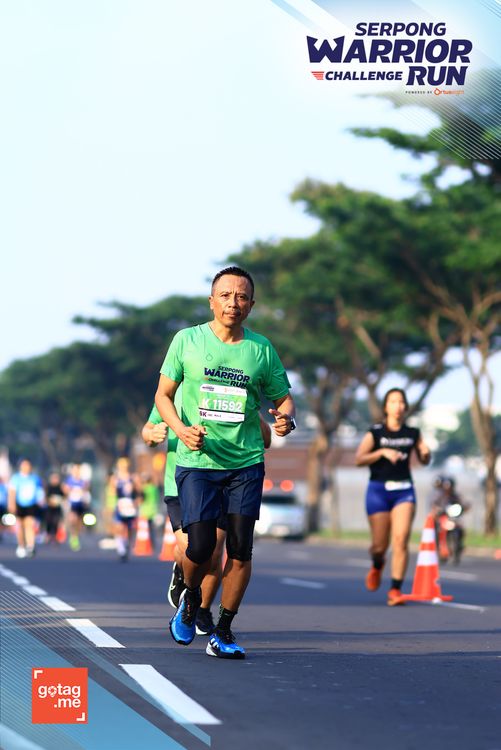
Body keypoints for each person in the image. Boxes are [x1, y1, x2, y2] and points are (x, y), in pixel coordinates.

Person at [155, 266, 295, 659]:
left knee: (240, 549)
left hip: (246, 462)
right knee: (200, 547)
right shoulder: (187, 340)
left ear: (251, 305)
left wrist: (286, 418)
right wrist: (182, 430)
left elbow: (283, 398)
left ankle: (224, 629)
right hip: (198, 461)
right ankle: (190, 596)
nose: (234, 302)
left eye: (242, 297)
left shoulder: (261, 349)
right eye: (226, 295)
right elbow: (163, 395)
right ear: (212, 301)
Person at [142, 401, 271, 637]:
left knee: (213, 552)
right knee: (193, 549)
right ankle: (183, 571)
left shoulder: (229, 392)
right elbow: (148, 430)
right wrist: (152, 434)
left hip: (221, 482)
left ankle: (201, 610)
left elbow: (267, 439)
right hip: (181, 481)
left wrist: (256, 414)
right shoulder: (174, 394)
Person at [355, 388, 431, 606]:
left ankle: (395, 589)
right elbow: (359, 459)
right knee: (379, 546)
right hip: (378, 491)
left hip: (404, 491)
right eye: (393, 401)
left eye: (401, 402)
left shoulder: (413, 433)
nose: (397, 406)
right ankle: (377, 564)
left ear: (405, 407)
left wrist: (426, 453)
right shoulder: (376, 432)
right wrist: (381, 452)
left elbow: (425, 459)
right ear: (386, 407)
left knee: (401, 539)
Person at [8, 459, 45, 558]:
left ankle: (30, 546)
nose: (26, 467)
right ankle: (21, 546)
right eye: (24, 465)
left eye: (28, 465)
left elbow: (40, 491)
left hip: (31, 505)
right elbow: (12, 492)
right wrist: (11, 504)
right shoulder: (16, 478)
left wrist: (41, 501)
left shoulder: (35, 478)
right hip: (19, 504)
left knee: (29, 525)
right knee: (20, 526)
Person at [107, 457, 140, 562]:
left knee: (130, 528)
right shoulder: (115, 478)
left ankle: (127, 545)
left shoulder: (133, 478)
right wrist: (111, 506)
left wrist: (136, 502)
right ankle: (121, 549)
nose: (123, 468)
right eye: (121, 466)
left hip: (130, 506)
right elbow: (111, 493)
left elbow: (139, 492)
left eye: (125, 466)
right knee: (119, 527)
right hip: (120, 505)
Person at [63, 464, 90, 551]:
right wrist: (69, 490)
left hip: (80, 504)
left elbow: (86, 491)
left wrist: (83, 491)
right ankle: (73, 537)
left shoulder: (82, 481)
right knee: (72, 519)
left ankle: (76, 536)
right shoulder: (69, 480)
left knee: (79, 522)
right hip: (72, 504)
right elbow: (65, 490)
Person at [45, 471, 65, 543]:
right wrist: (50, 501)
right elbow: (46, 497)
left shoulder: (60, 487)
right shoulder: (48, 487)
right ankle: (48, 535)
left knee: (56, 521)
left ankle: (55, 535)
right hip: (50, 508)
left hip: (57, 508)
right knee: (49, 521)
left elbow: (64, 496)